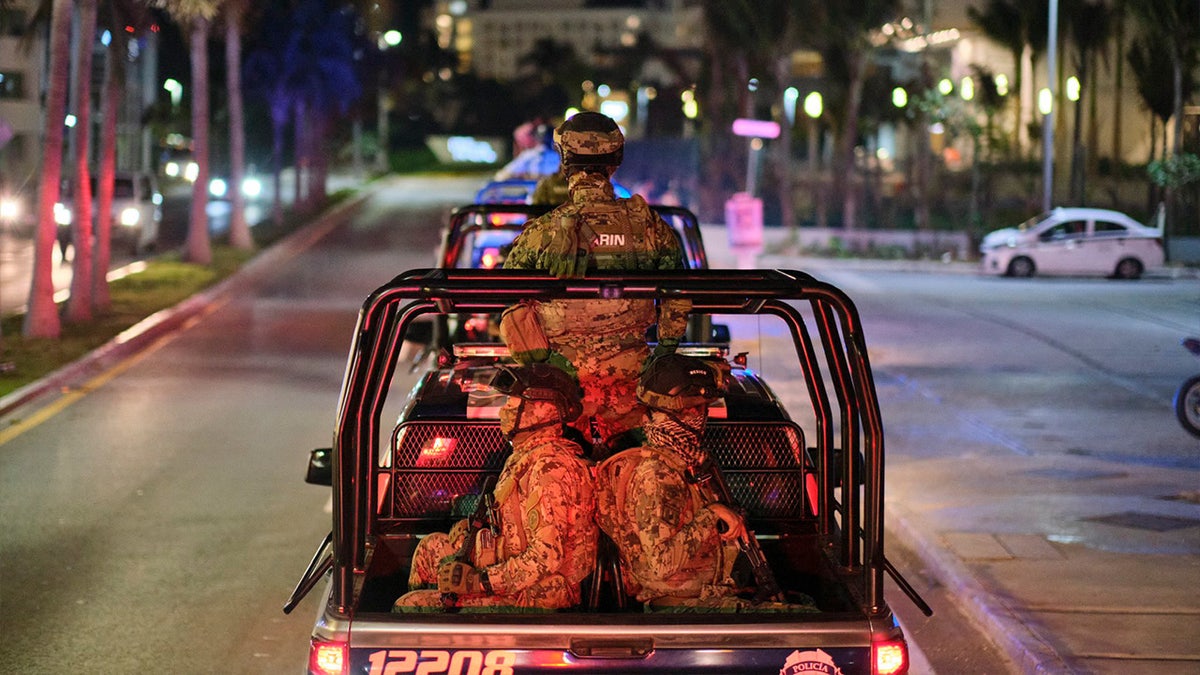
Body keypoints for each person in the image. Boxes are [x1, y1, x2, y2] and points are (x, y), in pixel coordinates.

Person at [500, 111, 690, 453]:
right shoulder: (652, 228)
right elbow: (678, 296)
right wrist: (663, 355)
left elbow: (510, 305)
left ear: (564, 161)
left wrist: (543, 362)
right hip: (636, 395)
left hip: (559, 397)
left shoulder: (541, 233)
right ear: (615, 160)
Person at [394, 363, 598, 611]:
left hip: (535, 595)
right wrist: (472, 530)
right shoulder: (525, 455)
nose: (504, 412)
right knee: (430, 548)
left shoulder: (550, 468)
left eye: (512, 405)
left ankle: (441, 634)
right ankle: (444, 618)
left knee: (409, 606)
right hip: (511, 573)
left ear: (541, 411)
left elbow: (546, 558)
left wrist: (479, 582)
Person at [595, 354, 789, 611]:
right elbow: (662, 563)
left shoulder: (689, 462)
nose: (699, 416)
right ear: (669, 412)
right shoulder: (656, 475)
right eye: (691, 409)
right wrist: (712, 514)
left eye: (702, 409)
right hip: (681, 610)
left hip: (707, 601)